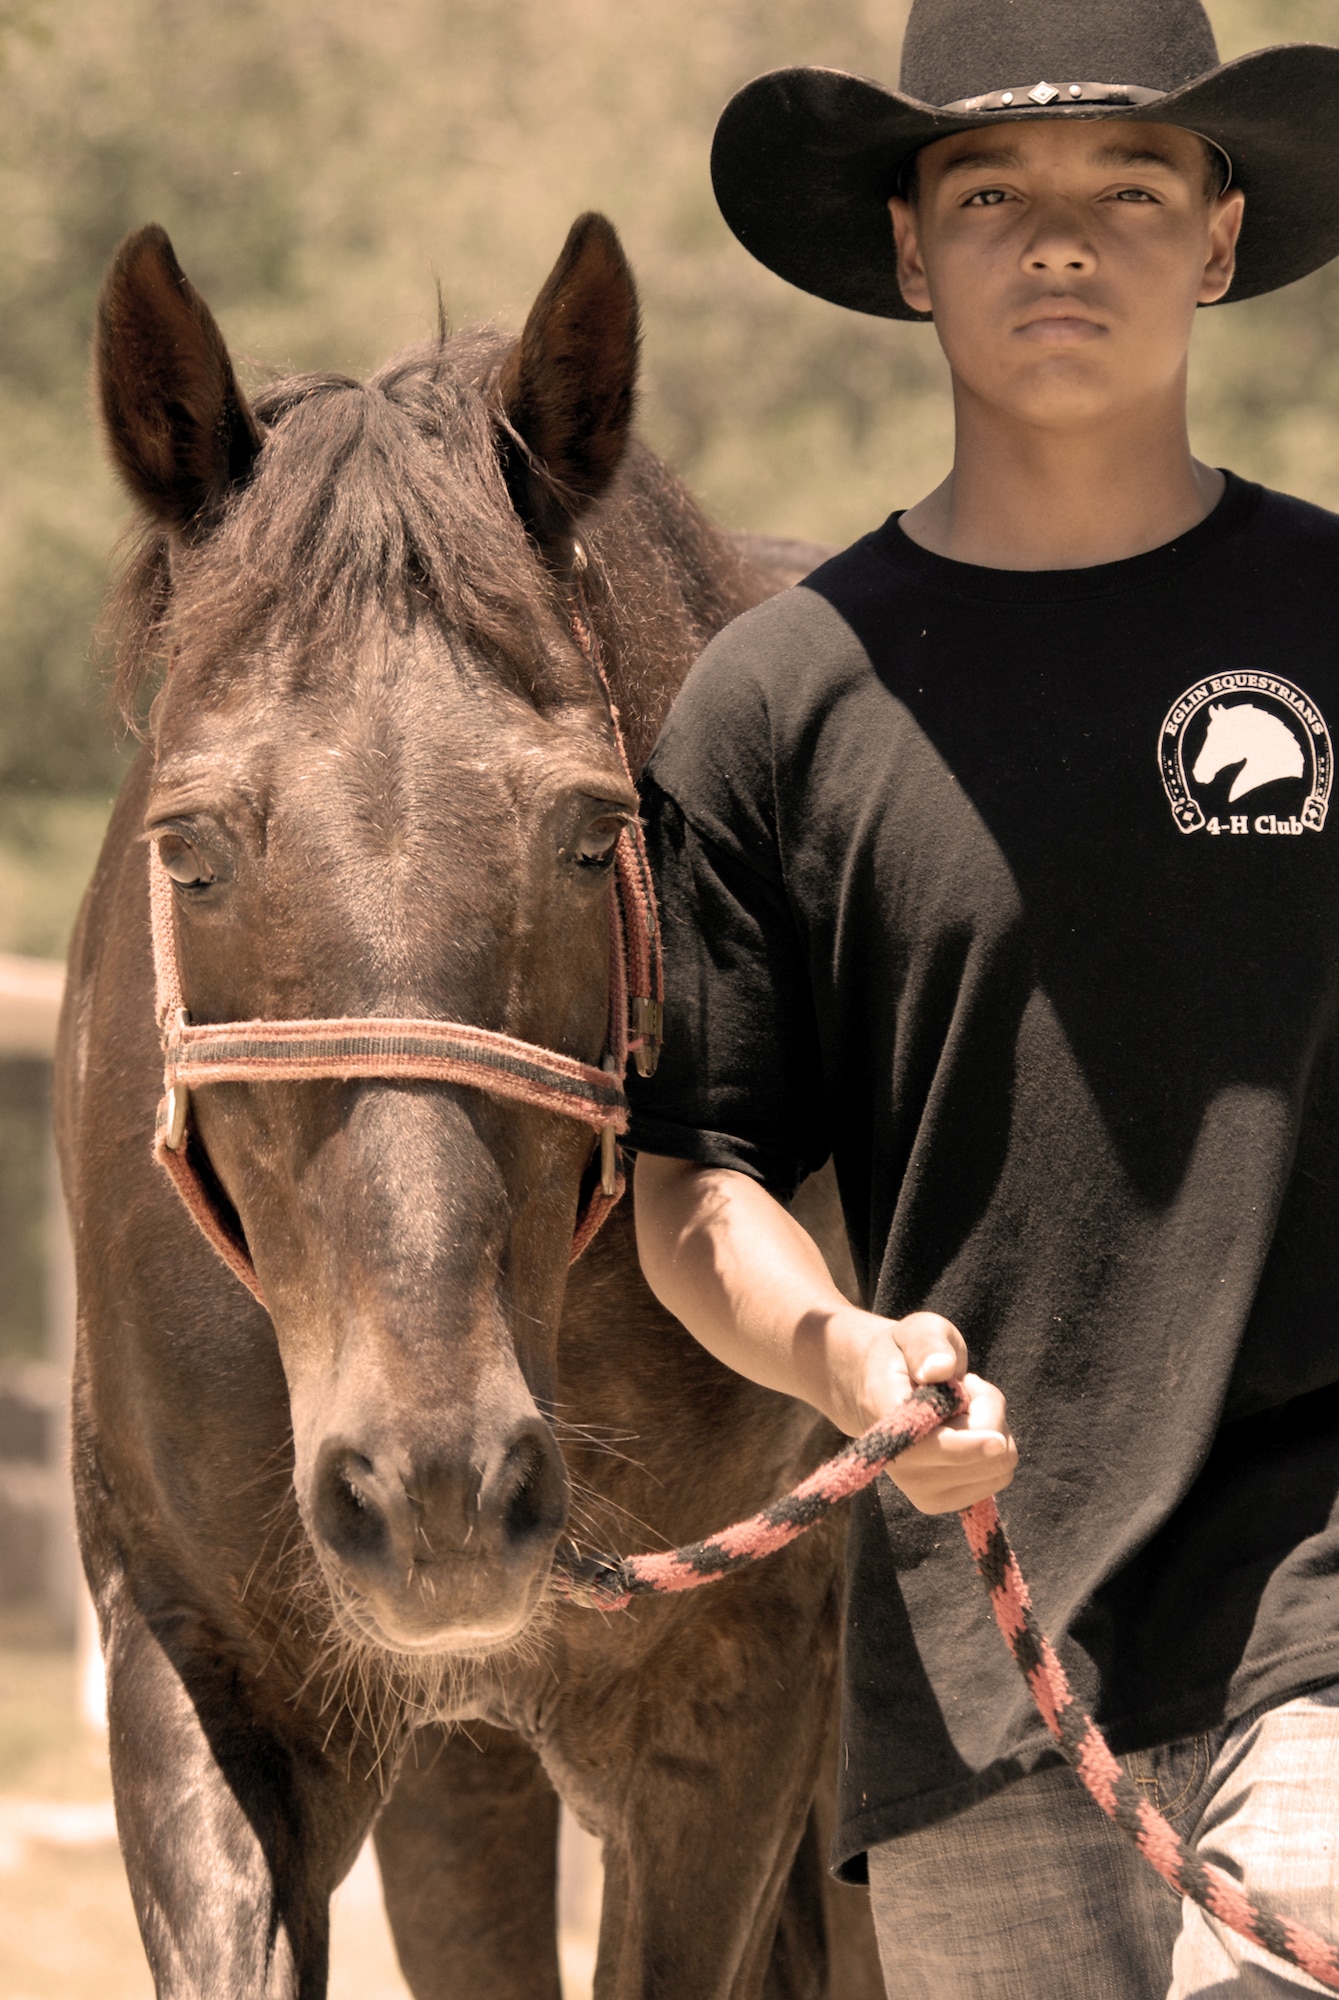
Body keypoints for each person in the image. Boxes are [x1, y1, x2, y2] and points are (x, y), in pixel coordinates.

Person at [626, 2, 1339, 1993]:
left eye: (1129, 185)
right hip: (970, 1666)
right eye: (990, 190)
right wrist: (841, 1355)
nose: (1057, 240)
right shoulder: (776, 702)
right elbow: (698, 1179)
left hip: (1324, 1617)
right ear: (906, 246)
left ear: (1211, 237)